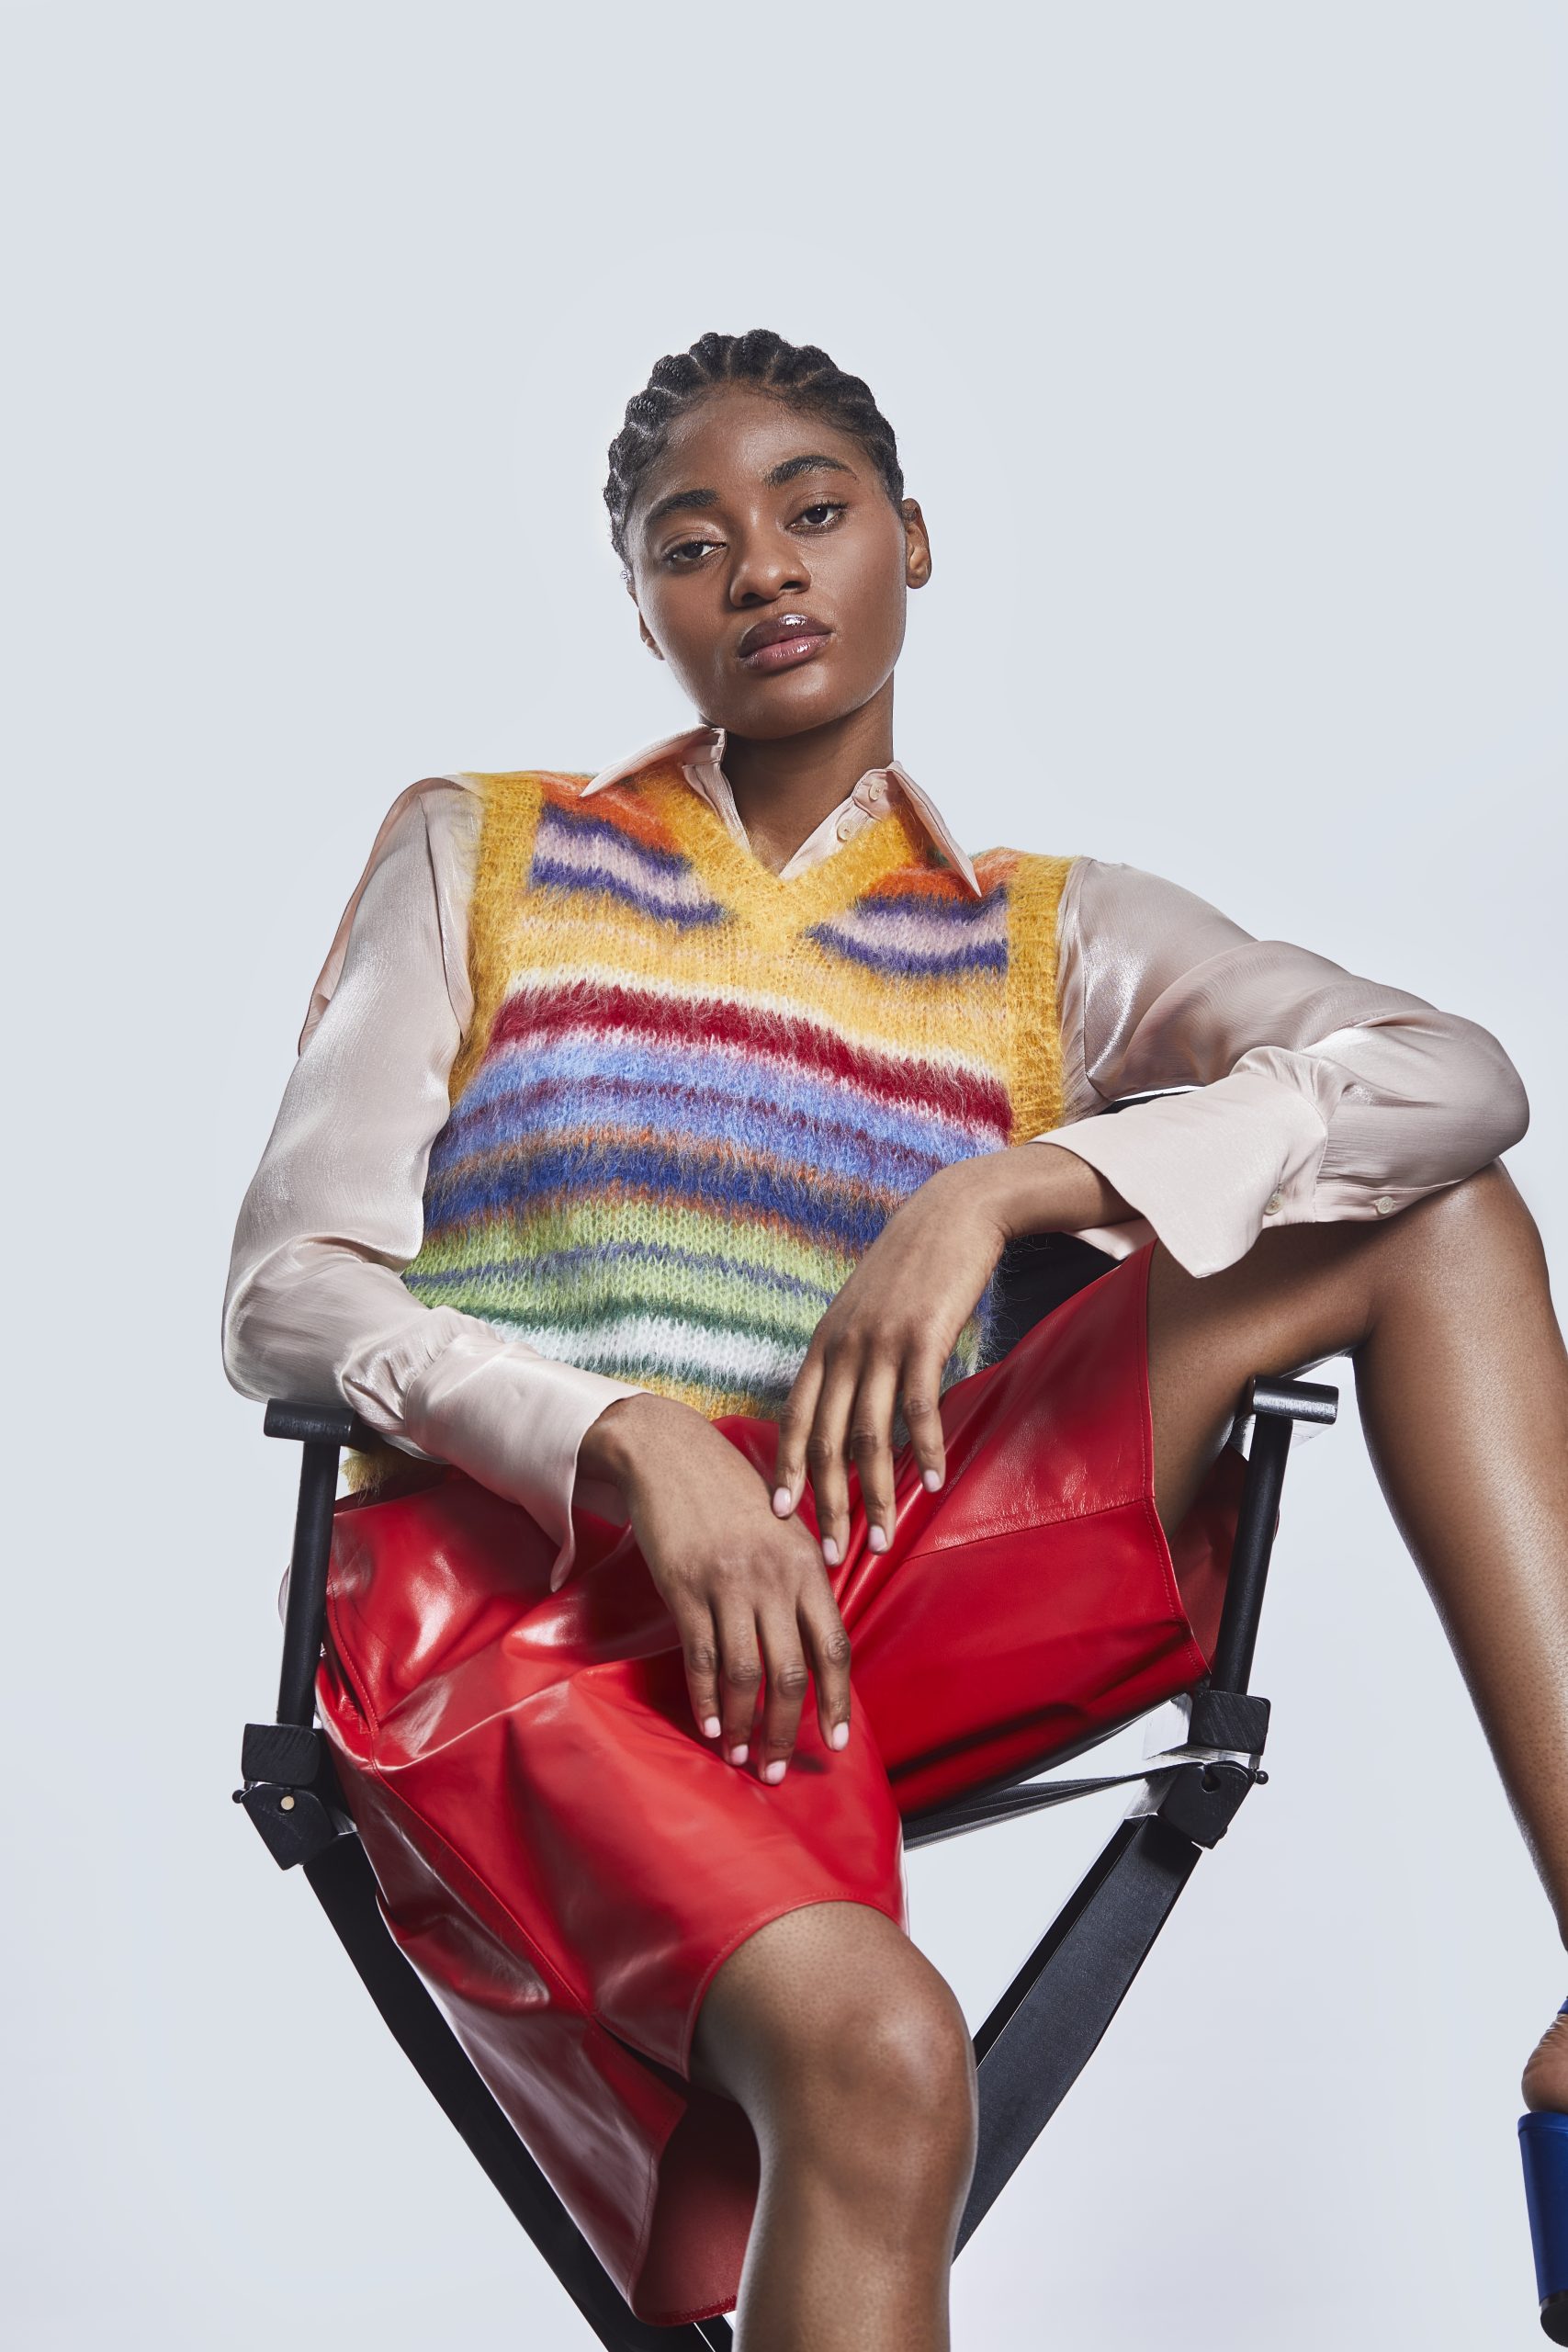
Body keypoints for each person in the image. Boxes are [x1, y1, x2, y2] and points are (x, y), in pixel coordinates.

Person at [221, 327, 1567, 2351]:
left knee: (1437, 1206)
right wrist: (624, 1438)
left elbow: (1450, 1078)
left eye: (813, 511)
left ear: (911, 541)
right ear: (645, 609)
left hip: (859, 1583)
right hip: (507, 1623)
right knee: (879, 2051)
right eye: (691, 544)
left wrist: (1018, 1185)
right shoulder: (480, 847)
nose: (760, 567)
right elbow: (287, 1292)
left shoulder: (1051, 934)